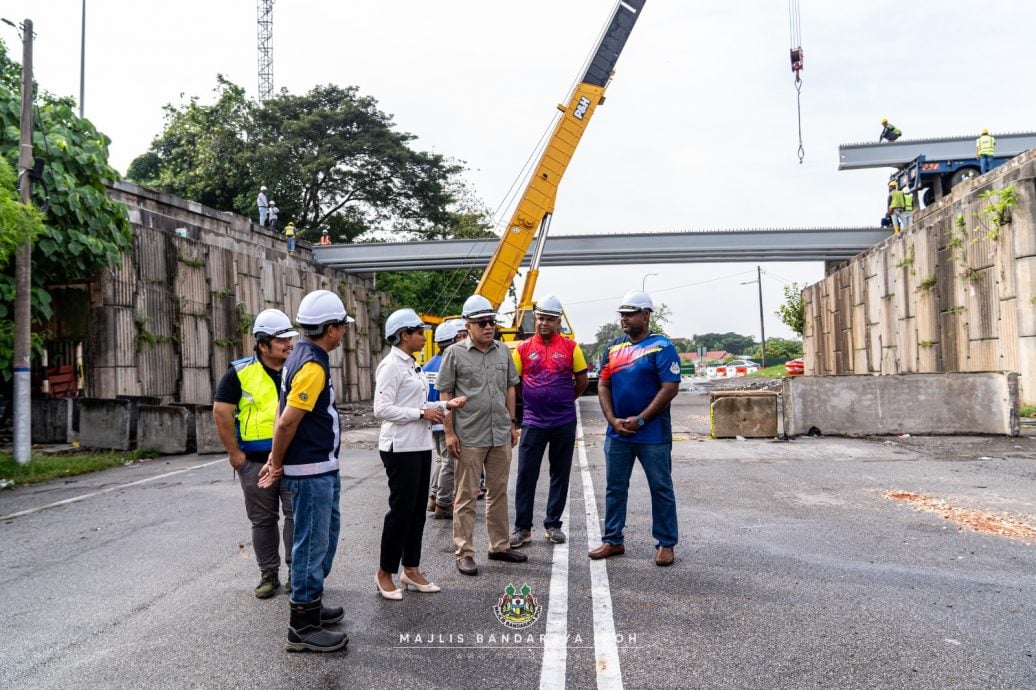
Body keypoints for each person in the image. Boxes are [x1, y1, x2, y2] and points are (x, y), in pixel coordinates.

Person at [258, 289, 352, 653]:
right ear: (330, 329)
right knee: (312, 545)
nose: (343, 331)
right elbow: (287, 421)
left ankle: (311, 605)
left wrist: (275, 457)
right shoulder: (311, 365)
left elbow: (282, 412)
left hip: (319, 467)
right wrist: (276, 462)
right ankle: (302, 625)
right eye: (341, 325)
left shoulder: (300, 353)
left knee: (320, 540)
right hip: (311, 471)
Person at [373, 309, 467, 600]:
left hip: (420, 445)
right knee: (400, 511)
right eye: (418, 332)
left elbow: (418, 404)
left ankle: (411, 569)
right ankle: (384, 573)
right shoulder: (391, 365)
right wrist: (420, 413)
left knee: (416, 513)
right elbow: (381, 409)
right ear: (404, 335)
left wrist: (446, 406)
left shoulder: (412, 364)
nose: (424, 336)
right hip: (399, 447)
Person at [589, 290, 681, 567]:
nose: (624, 319)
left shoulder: (662, 347)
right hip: (617, 433)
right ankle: (613, 539)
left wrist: (641, 419)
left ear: (645, 315)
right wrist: (612, 420)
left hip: (653, 434)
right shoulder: (613, 347)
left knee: (660, 487)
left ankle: (666, 543)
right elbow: (603, 384)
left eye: (630, 314)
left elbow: (669, 388)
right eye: (622, 314)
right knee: (615, 487)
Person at [436, 294, 526, 576]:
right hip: (469, 435)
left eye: (491, 322)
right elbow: (445, 394)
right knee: (466, 495)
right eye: (482, 323)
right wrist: (449, 433)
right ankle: (464, 552)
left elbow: (510, 388)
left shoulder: (503, 351)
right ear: (468, 326)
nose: (489, 327)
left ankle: (499, 546)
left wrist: (512, 423)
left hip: (499, 433)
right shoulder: (454, 353)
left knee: (498, 492)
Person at [212, 309, 298, 600]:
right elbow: (221, 412)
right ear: (262, 344)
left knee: (296, 517)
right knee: (263, 520)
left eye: (290, 338)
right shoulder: (239, 373)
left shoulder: (299, 368)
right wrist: (235, 455)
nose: (289, 344)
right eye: (281, 339)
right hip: (255, 461)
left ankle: (296, 573)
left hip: (293, 459)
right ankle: (269, 574)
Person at [509, 295, 588, 548]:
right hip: (533, 421)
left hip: (563, 421)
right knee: (526, 474)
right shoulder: (522, 349)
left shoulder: (571, 347)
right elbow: (515, 383)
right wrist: (532, 400)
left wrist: (565, 399)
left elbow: (582, 381)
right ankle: (522, 528)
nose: (544, 323)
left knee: (560, 473)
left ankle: (553, 524)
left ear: (558, 322)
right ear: (535, 319)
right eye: (541, 318)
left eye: (550, 319)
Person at [424, 319, 468, 520]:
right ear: (453, 339)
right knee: (449, 462)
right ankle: (443, 503)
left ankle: (434, 496)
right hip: (446, 418)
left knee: (440, 459)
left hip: (432, 418)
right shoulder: (450, 363)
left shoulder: (428, 364)